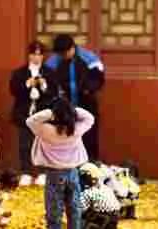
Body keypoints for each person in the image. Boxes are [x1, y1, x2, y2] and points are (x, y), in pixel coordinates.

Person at [27, 98, 96, 229]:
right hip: (73, 172)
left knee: (54, 212)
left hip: (54, 174)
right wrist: (72, 111)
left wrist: (51, 112)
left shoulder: (45, 130)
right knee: (74, 209)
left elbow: (30, 121)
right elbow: (89, 118)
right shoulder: (75, 130)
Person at [45, 34, 106, 161]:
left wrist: (88, 89)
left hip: (86, 105)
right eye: (60, 54)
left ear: (72, 48)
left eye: (65, 53)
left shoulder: (88, 58)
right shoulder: (54, 61)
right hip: (63, 107)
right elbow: (48, 80)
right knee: (64, 137)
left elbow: (99, 78)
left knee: (88, 136)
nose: (63, 56)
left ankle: (90, 164)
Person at [11, 41, 51, 186]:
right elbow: (14, 90)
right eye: (34, 54)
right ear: (29, 55)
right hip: (25, 114)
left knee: (43, 143)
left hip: (41, 115)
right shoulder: (20, 73)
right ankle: (26, 172)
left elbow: (53, 93)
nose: (36, 57)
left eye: (39, 54)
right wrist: (27, 84)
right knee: (25, 143)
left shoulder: (49, 72)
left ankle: (42, 172)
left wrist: (43, 85)